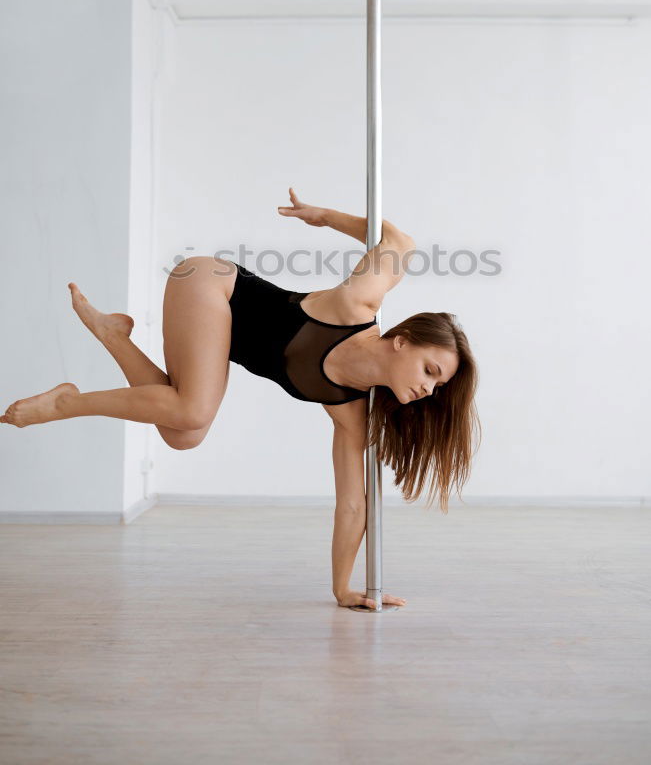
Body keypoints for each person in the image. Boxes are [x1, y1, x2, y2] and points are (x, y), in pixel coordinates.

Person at [1, 188, 480, 609]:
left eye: (437, 386)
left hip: (219, 332)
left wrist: (342, 588)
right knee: (193, 409)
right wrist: (325, 217)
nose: (428, 388)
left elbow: (352, 504)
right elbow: (400, 243)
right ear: (403, 340)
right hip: (209, 282)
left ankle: (115, 336)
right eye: (430, 370)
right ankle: (66, 403)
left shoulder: (349, 406)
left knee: (183, 434)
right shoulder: (357, 306)